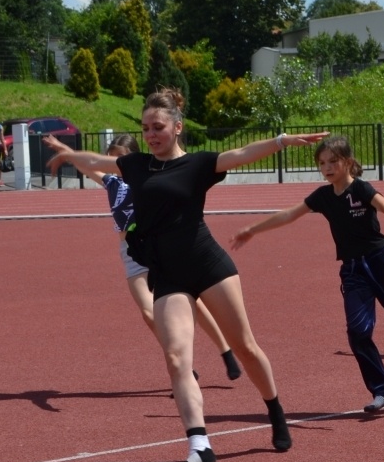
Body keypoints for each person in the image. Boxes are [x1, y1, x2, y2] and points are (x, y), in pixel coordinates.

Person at [42, 89, 325, 462]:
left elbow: (241, 154)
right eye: (144, 129)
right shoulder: (137, 165)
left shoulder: (198, 164)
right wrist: (67, 153)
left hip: (208, 265)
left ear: (178, 127)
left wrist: (281, 141)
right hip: (167, 274)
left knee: (244, 345)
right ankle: (199, 446)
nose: (150, 135)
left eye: (157, 127)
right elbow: (98, 161)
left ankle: (275, 410)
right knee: (176, 358)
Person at [232, 135, 384, 413]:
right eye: (321, 163)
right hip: (352, 270)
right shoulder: (323, 196)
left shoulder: (361, 189)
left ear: (348, 162)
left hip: (381, 262)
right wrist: (253, 229)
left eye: (332, 161)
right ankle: (382, 391)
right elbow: (290, 214)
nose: (326, 167)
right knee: (358, 332)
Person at [46, 131, 243, 383]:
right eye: (111, 158)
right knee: (150, 314)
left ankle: (225, 351)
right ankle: (183, 366)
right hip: (131, 254)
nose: (115, 163)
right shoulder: (109, 181)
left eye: (120, 158)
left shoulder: (145, 178)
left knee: (195, 303)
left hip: (159, 249)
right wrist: (64, 149)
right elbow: (87, 163)